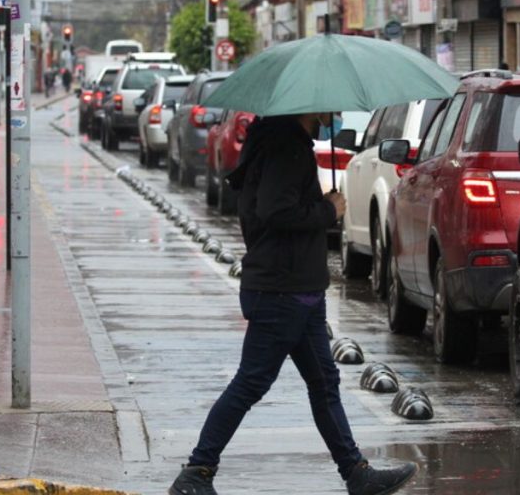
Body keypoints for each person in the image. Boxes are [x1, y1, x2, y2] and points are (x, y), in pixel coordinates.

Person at [168, 113, 418, 495]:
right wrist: (328, 210)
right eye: (328, 109)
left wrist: (320, 205)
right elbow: (275, 210)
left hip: (300, 290)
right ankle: (196, 472)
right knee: (251, 383)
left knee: (324, 384)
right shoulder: (286, 147)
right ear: (309, 109)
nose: (333, 115)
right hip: (282, 292)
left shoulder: (282, 142)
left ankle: (356, 473)